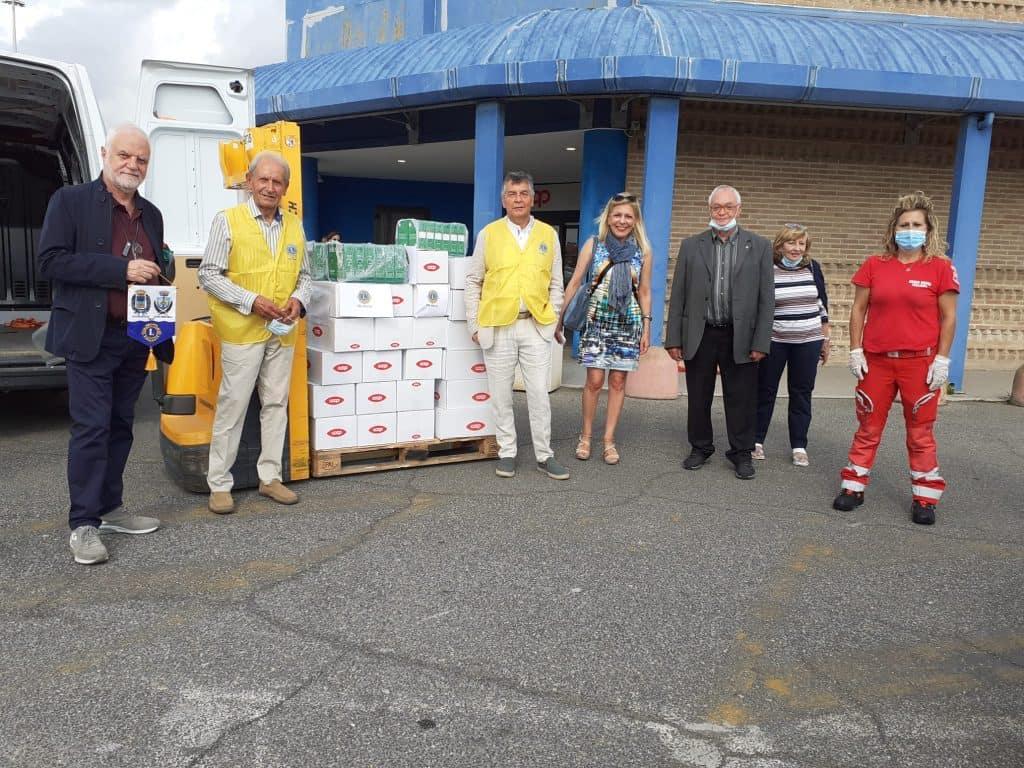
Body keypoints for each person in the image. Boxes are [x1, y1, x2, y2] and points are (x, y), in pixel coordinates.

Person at [38, 123, 173, 565]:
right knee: (92, 429)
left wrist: (160, 289)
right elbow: (52, 261)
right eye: (124, 156)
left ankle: (110, 509)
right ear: (105, 154)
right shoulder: (70, 202)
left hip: (135, 339)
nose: (132, 165)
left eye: (141, 159)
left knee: (120, 428)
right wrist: (121, 271)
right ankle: (83, 524)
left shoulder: (151, 213)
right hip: (89, 338)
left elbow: (157, 268)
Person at [832, 192, 959, 525]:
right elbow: (858, 309)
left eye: (917, 224)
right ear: (893, 229)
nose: (910, 229)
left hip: (920, 362)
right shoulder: (875, 265)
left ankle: (925, 497)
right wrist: (855, 348)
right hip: (877, 362)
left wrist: (942, 360)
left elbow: (949, 318)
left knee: (920, 432)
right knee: (868, 426)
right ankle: (853, 486)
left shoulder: (940, 269)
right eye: (904, 224)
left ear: (928, 230)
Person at [199, 151, 312, 515]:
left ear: (286, 187)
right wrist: (251, 301)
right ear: (249, 181)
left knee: (276, 404)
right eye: (262, 180)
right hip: (242, 329)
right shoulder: (228, 221)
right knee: (233, 405)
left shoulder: (294, 224)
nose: (269, 187)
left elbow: (305, 275)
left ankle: (270, 478)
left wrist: (298, 300)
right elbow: (209, 275)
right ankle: (219, 482)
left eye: (277, 181)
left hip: (282, 330)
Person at [464, 170, 568, 480]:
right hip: (497, 325)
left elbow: (557, 282)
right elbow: (473, 280)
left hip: (535, 325)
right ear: (503, 199)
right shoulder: (489, 234)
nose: (518, 199)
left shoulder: (548, 235)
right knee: (501, 395)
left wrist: (551, 318)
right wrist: (473, 322)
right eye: (512, 194)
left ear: (533, 197)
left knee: (538, 393)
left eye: (523, 193)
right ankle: (507, 451)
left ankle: (544, 455)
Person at [665, 185, 774, 480]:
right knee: (698, 396)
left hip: (741, 336)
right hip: (701, 333)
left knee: (741, 398)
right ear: (709, 210)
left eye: (728, 207)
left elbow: (767, 298)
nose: (722, 212)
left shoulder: (760, 246)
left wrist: (761, 340)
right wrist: (673, 337)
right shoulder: (691, 246)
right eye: (716, 207)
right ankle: (700, 447)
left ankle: (741, 453)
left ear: (738, 209)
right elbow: (679, 295)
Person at [557, 193, 653, 465]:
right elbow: (575, 281)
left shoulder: (643, 250)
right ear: (608, 217)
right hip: (596, 321)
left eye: (628, 216)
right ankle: (585, 436)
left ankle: (609, 440)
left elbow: (644, 291)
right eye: (617, 215)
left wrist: (647, 327)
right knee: (595, 381)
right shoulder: (594, 244)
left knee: (619, 382)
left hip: (628, 323)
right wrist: (559, 317)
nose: (622, 221)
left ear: (635, 221)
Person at [753, 224, 831, 467]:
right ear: (780, 245)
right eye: (791, 243)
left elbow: (821, 304)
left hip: (808, 341)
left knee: (801, 394)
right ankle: (755, 441)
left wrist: (825, 339)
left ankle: (799, 445)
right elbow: (759, 306)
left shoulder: (813, 268)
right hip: (775, 341)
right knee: (765, 391)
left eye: (801, 244)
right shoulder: (768, 269)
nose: (796, 248)